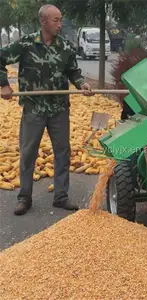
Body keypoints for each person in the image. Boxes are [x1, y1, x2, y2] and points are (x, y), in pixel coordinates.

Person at [0, 4, 94, 216]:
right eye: (56, 20)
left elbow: (73, 72)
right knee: (27, 153)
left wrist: (82, 84)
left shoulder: (66, 47)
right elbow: (1, 58)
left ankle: (61, 197)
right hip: (33, 109)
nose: (60, 24)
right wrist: (4, 84)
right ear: (43, 21)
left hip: (59, 109)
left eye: (61, 20)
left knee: (62, 152)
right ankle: (24, 197)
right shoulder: (26, 44)